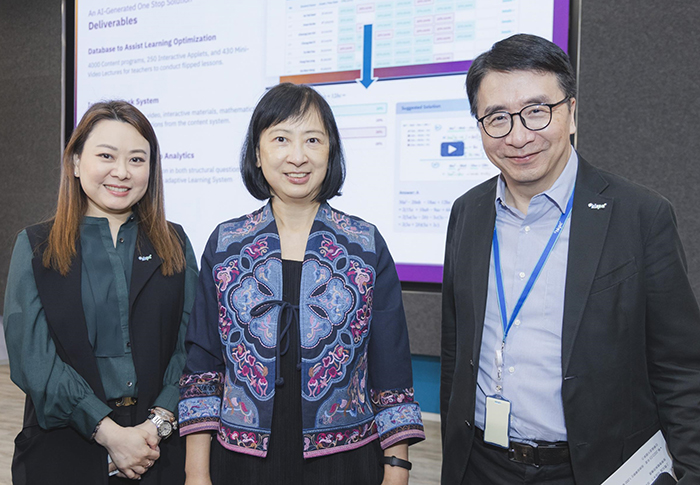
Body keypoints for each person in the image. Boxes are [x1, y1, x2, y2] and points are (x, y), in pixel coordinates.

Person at [440, 34, 700, 484]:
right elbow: (454, 348)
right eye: (497, 118)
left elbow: (681, 369)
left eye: (538, 111)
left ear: (572, 112)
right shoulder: (468, 212)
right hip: (480, 465)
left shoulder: (639, 215)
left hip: (591, 470)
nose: (519, 136)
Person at [178, 83, 425, 485]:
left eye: (313, 139)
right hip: (241, 463)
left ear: (331, 152)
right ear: (257, 154)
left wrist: (396, 473)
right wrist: (196, 473)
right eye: (280, 139)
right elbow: (203, 366)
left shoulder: (364, 245)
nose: (298, 156)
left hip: (345, 462)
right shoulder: (226, 245)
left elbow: (391, 370)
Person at [3, 101, 198, 484]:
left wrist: (155, 426)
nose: (121, 172)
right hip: (63, 447)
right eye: (106, 156)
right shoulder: (36, 246)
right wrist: (108, 433)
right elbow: (33, 361)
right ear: (76, 162)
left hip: (157, 448)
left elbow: (193, 343)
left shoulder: (174, 243)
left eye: (137, 160)